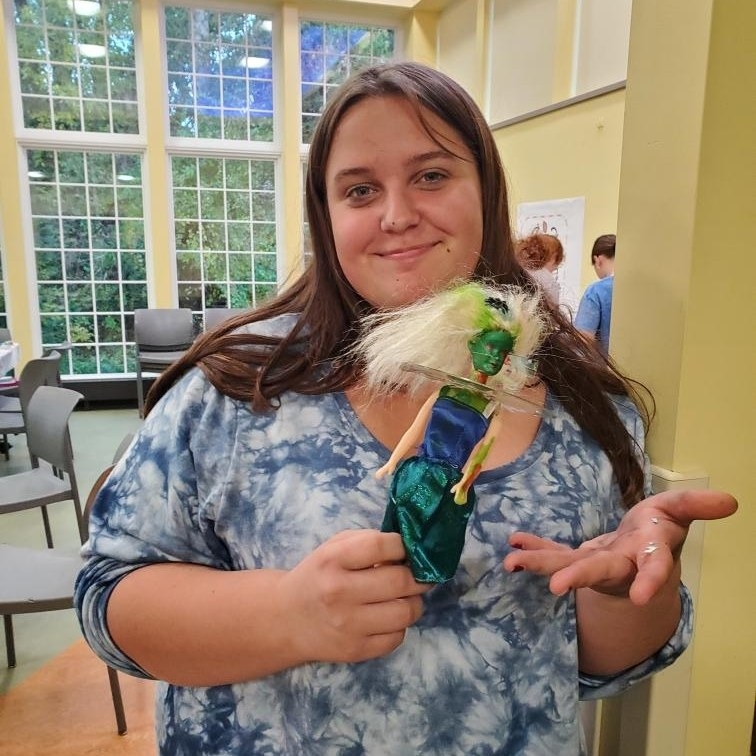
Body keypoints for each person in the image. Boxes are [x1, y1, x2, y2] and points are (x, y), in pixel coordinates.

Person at [74, 62, 736, 755]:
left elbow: (605, 665)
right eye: (360, 189)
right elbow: (107, 597)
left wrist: (625, 590)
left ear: (486, 189)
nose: (397, 214)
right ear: (326, 217)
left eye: (431, 175)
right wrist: (286, 616)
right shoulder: (240, 388)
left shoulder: (587, 407)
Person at [361, 282, 546, 583]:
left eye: (501, 353)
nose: (493, 357)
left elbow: (481, 453)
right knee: (399, 533)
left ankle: (419, 577)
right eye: (488, 347)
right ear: (471, 345)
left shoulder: (492, 407)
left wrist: (465, 482)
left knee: (431, 546)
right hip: (417, 471)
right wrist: (392, 461)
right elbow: (415, 430)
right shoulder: (445, 390)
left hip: (451, 485)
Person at [574, 233, 616, 353]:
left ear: (597, 260)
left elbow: (583, 338)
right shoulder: (636, 289)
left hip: (605, 369)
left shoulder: (595, 291)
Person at [515, 232, 564, 307]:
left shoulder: (518, 270)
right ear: (554, 257)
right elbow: (553, 312)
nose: (555, 268)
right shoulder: (548, 281)